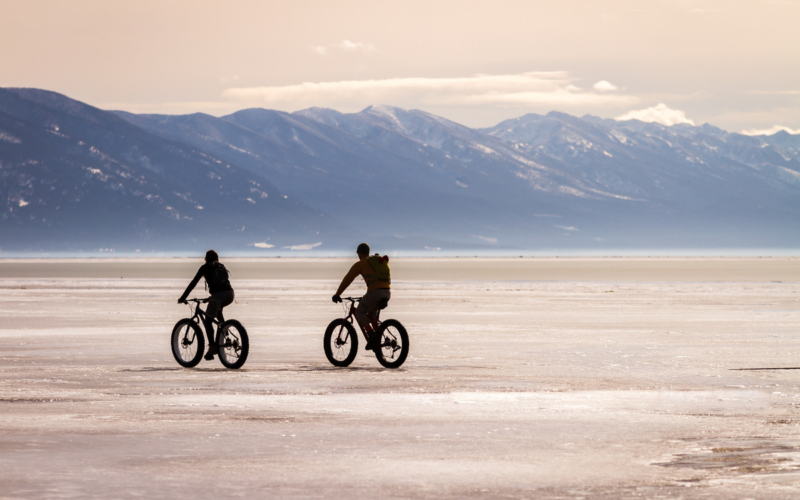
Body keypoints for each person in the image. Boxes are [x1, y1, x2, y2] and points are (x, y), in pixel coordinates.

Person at [332, 243, 391, 350]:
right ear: (368, 252)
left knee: (359, 312)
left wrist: (337, 294)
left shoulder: (361, 264)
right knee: (372, 315)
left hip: (375, 292)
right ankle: (377, 338)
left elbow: (347, 279)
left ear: (359, 253)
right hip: (387, 291)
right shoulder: (375, 262)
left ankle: (371, 334)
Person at [178, 250, 234, 360]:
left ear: (206, 258)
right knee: (218, 312)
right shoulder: (220, 266)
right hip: (230, 294)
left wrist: (183, 297)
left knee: (208, 321)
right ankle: (223, 330)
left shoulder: (204, 267)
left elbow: (193, 283)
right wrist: (213, 297)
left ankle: (213, 347)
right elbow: (223, 285)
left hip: (218, 295)